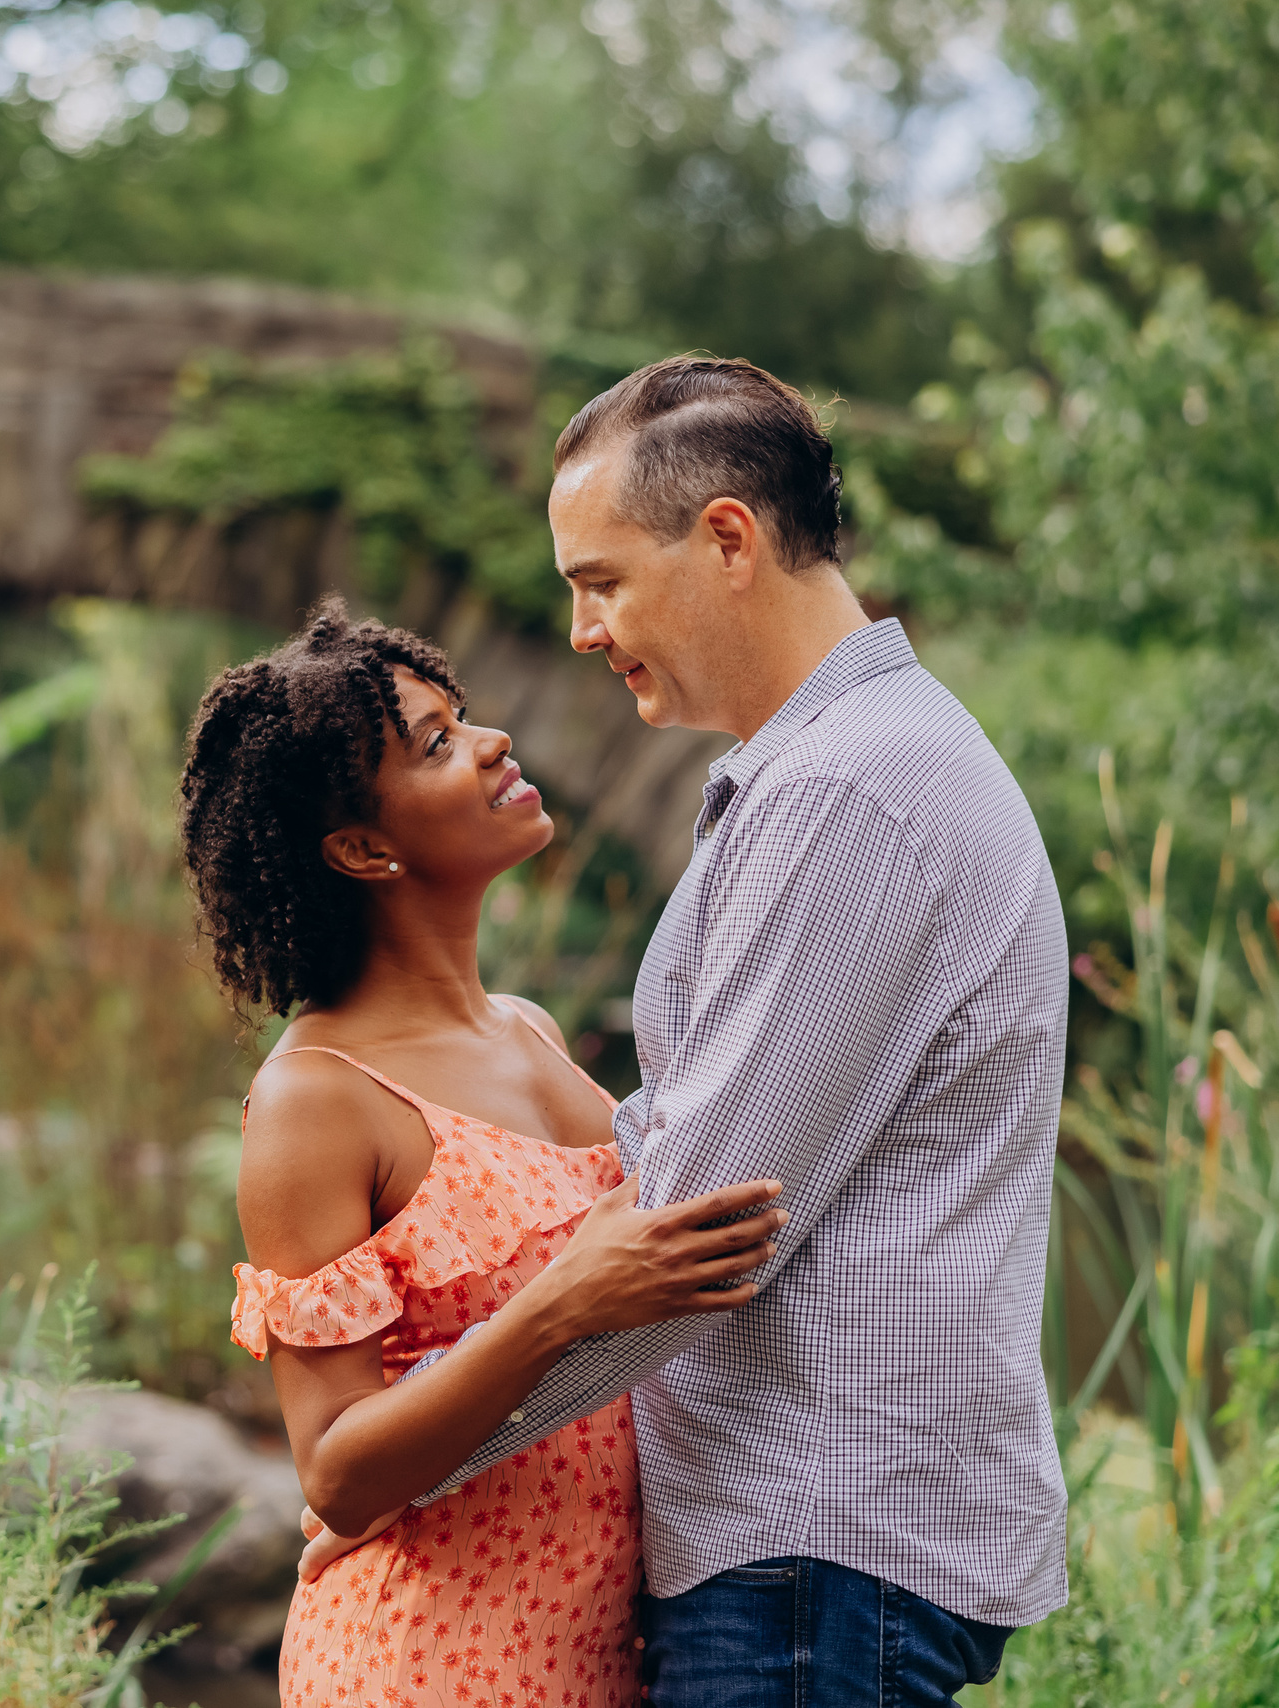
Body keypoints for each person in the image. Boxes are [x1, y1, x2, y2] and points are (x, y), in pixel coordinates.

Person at [302, 357, 1071, 1706]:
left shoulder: (851, 793)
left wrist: (402, 1474)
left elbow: (696, 1232)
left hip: (814, 1556)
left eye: (601, 581)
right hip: (799, 1562)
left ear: (726, 539)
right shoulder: (824, 771)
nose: (586, 631)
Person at [185, 598, 791, 1707]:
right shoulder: (315, 1097)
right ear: (363, 848)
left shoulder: (528, 1029)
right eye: (436, 744)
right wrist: (561, 1302)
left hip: (603, 1646)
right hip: (427, 1660)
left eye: (460, 719)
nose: (492, 740)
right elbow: (335, 1467)